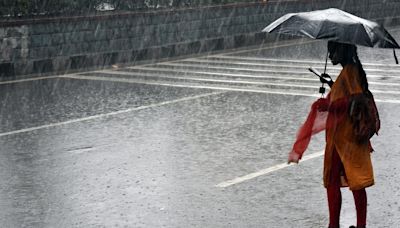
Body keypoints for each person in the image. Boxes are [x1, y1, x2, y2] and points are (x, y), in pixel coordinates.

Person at [288, 41, 380, 228]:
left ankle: (357, 224)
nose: (330, 56)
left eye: (333, 51)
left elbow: (354, 100)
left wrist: (329, 105)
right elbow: (347, 94)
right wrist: (331, 83)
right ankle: (334, 224)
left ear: (343, 50)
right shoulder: (348, 71)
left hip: (349, 138)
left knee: (356, 181)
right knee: (333, 180)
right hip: (338, 138)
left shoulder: (351, 70)